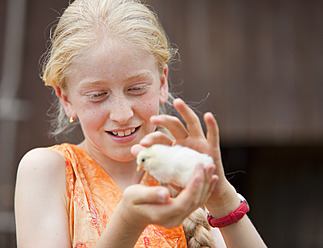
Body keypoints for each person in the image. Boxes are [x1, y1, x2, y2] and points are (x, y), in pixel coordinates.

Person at [14, 0, 267, 247]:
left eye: (136, 89)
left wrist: (222, 197)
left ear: (162, 82)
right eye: (97, 95)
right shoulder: (48, 171)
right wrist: (127, 222)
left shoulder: (185, 175)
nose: (122, 114)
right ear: (66, 98)